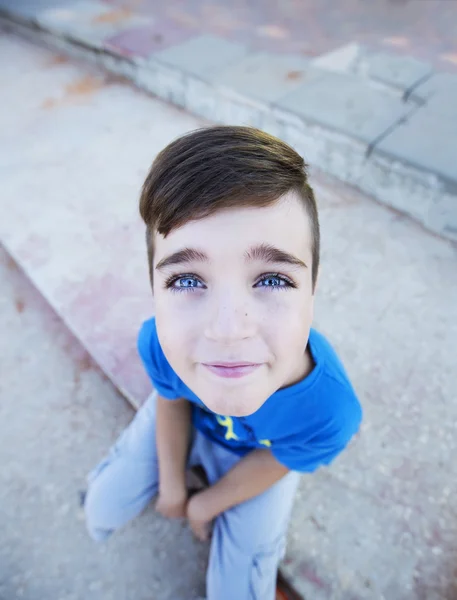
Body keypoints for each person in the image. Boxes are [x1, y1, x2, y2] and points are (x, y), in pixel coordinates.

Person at [84, 126, 362, 600]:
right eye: (187, 279)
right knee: (100, 510)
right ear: (153, 288)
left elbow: (279, 458)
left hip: (260, 453)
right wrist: (172, 486)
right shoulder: (161, 342)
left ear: (313, 286)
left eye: (272, 279)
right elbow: (170, 402)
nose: (229, 330)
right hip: (188, 416)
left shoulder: (329, 410)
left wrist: (205, 505)